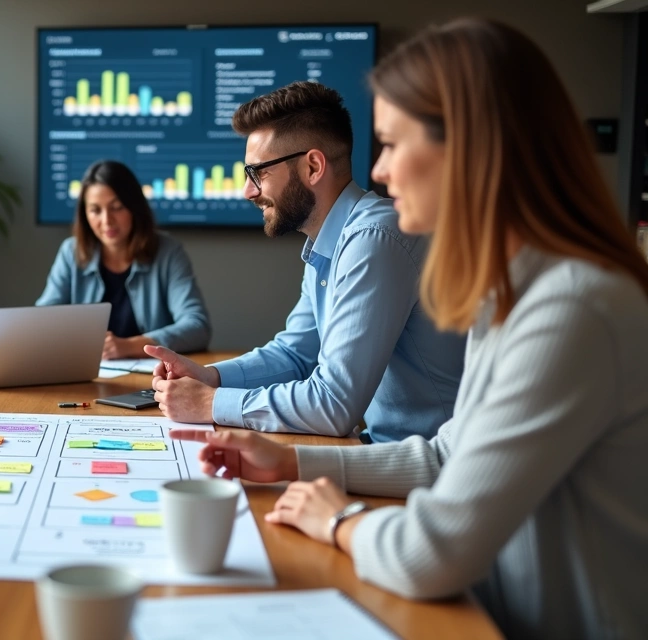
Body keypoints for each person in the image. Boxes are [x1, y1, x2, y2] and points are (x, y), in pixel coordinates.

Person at [173, 19, 648, 639]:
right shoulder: (510, 293)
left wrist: (339, 520)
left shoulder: (571, 309)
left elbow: (432, 554)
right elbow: (448, 455)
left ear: (469, 150)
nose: (385, 173)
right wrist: (290, 461)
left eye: (394, 145)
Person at [147, 81, 465, 442]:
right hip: (385, 450)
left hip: (426, 469)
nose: (248, 191)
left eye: (259, 172)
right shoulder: (330, 240)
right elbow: (295, 354)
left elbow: (333, 405)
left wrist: (212, 403)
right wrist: (210, 377)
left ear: (313, 166)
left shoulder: (373, 239)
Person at [36, 160, 211, 359]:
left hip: (151, 379)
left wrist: (129, 346)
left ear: (134, 207)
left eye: (117, 207)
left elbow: (198, 327)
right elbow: (43, 321)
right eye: (95, 210)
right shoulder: (71, 251)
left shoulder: (168, 251)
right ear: (84, 214)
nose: (106, 220)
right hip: (88, 373)